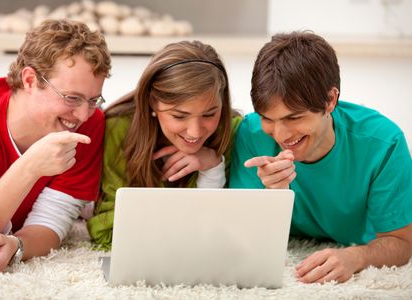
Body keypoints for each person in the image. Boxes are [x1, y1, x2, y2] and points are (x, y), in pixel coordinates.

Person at [229, 31, 412, 284]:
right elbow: (240, 237)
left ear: (330, 100)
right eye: (268, 118)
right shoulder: (251, 133)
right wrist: (272, 195)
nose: (280, 135)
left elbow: (402, 242)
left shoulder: (383, 143)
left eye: (293, 118)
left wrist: (355, 257)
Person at [0, 19, 111, 279]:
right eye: (72, 98)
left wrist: (17, 247)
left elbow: (53, 219)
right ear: (30, 80)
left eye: (93, 100)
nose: (84, 115)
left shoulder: (89, 124)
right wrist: (30, 167)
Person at [87, 40, 242, 249]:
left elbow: (219, 232)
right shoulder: (118, 128)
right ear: (152, 102)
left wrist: (212, 168)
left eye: (209, 114)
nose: (195, 132)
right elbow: (107, 233)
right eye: (179, 116)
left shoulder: (232, 130)